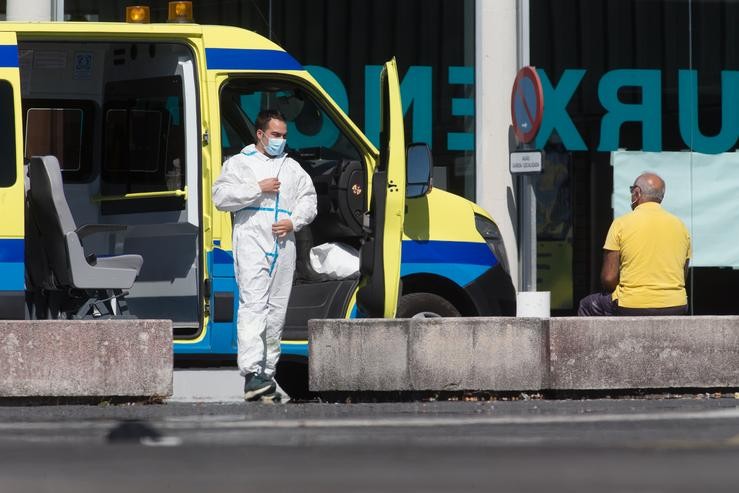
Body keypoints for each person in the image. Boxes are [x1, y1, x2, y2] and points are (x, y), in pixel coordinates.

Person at [212, 109, 317, 401]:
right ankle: (251, 372)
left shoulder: (292, 168)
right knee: (253, 304)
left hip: (284, 241)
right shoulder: (239, 163)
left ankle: (266, 374)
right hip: (251, 236)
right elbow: (220, 197)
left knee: (276, 311)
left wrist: (293, 221)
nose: (280, 140)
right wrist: (257, 189)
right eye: (275, 135)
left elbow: (309, 200)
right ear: (260, 134)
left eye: (284, 136)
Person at [577, 172, 690, 316]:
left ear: (637, 193)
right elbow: (683, 274)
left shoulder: (621, 223)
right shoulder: (680, 226)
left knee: (587, 305)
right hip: (676, 304)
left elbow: (608, 278)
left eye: (632, 191)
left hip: (631, 304)